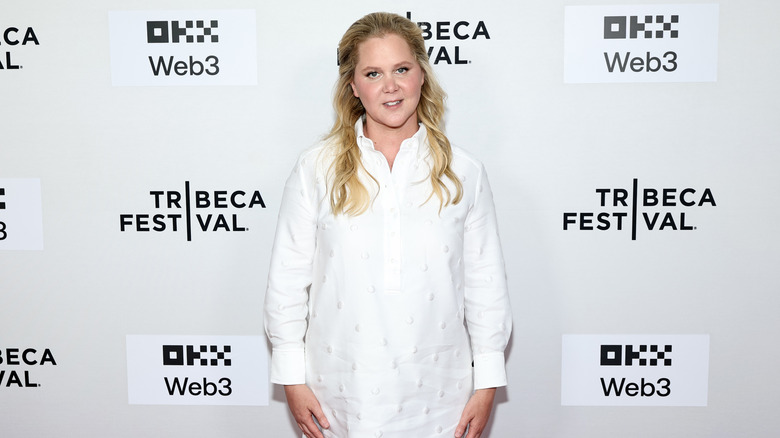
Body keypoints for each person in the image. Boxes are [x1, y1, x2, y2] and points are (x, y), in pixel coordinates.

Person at [264, 12, 512, 438]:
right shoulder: (315, 169)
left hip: (442, 396)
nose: (391, 86)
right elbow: (286, 280)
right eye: (373, 73)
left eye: (401, 69)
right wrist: (291, 377)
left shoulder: (464, 172)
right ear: (353, 86)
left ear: (421, 75)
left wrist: (487, 383)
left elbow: (485, 285)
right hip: (339, 394)